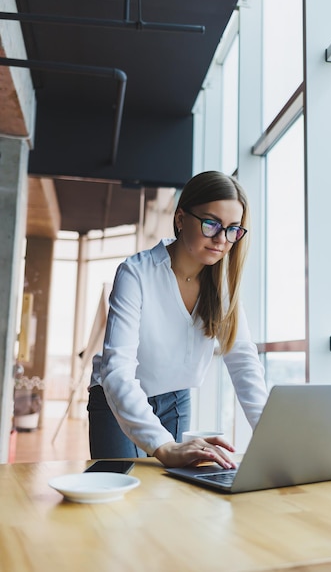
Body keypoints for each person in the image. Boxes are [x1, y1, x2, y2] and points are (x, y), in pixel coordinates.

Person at [87, 170, 268, 469]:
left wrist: (270, 435)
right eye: (211, 224)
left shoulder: (223, 287)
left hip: (174, 399)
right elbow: (117, 371)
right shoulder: (136, 273)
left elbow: (243, 361)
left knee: (169, 494)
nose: (222, 239)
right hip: (115, 397)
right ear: (181, 219)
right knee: (119, 491)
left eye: (233, 229)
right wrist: (164, 446)